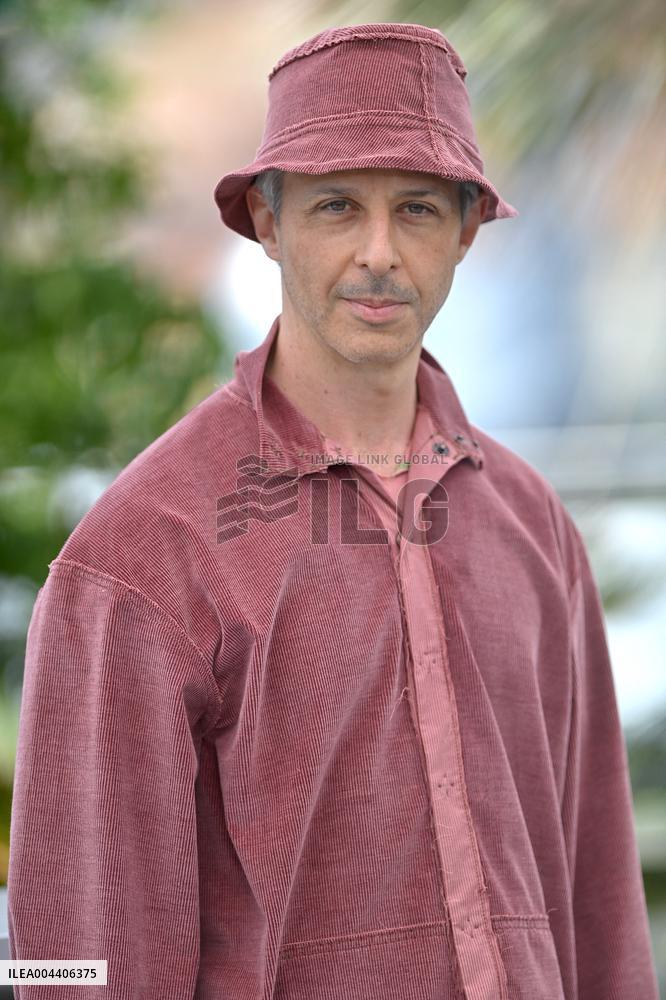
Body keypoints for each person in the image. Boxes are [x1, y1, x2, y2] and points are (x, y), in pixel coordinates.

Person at [7, 21, 658, 1000]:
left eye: (421, 209)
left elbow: (605, 914)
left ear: (470, 230)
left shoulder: (537, 533)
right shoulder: (143, 552)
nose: (381, 253)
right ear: (267, 224)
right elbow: (73, 960)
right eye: (337, 207)